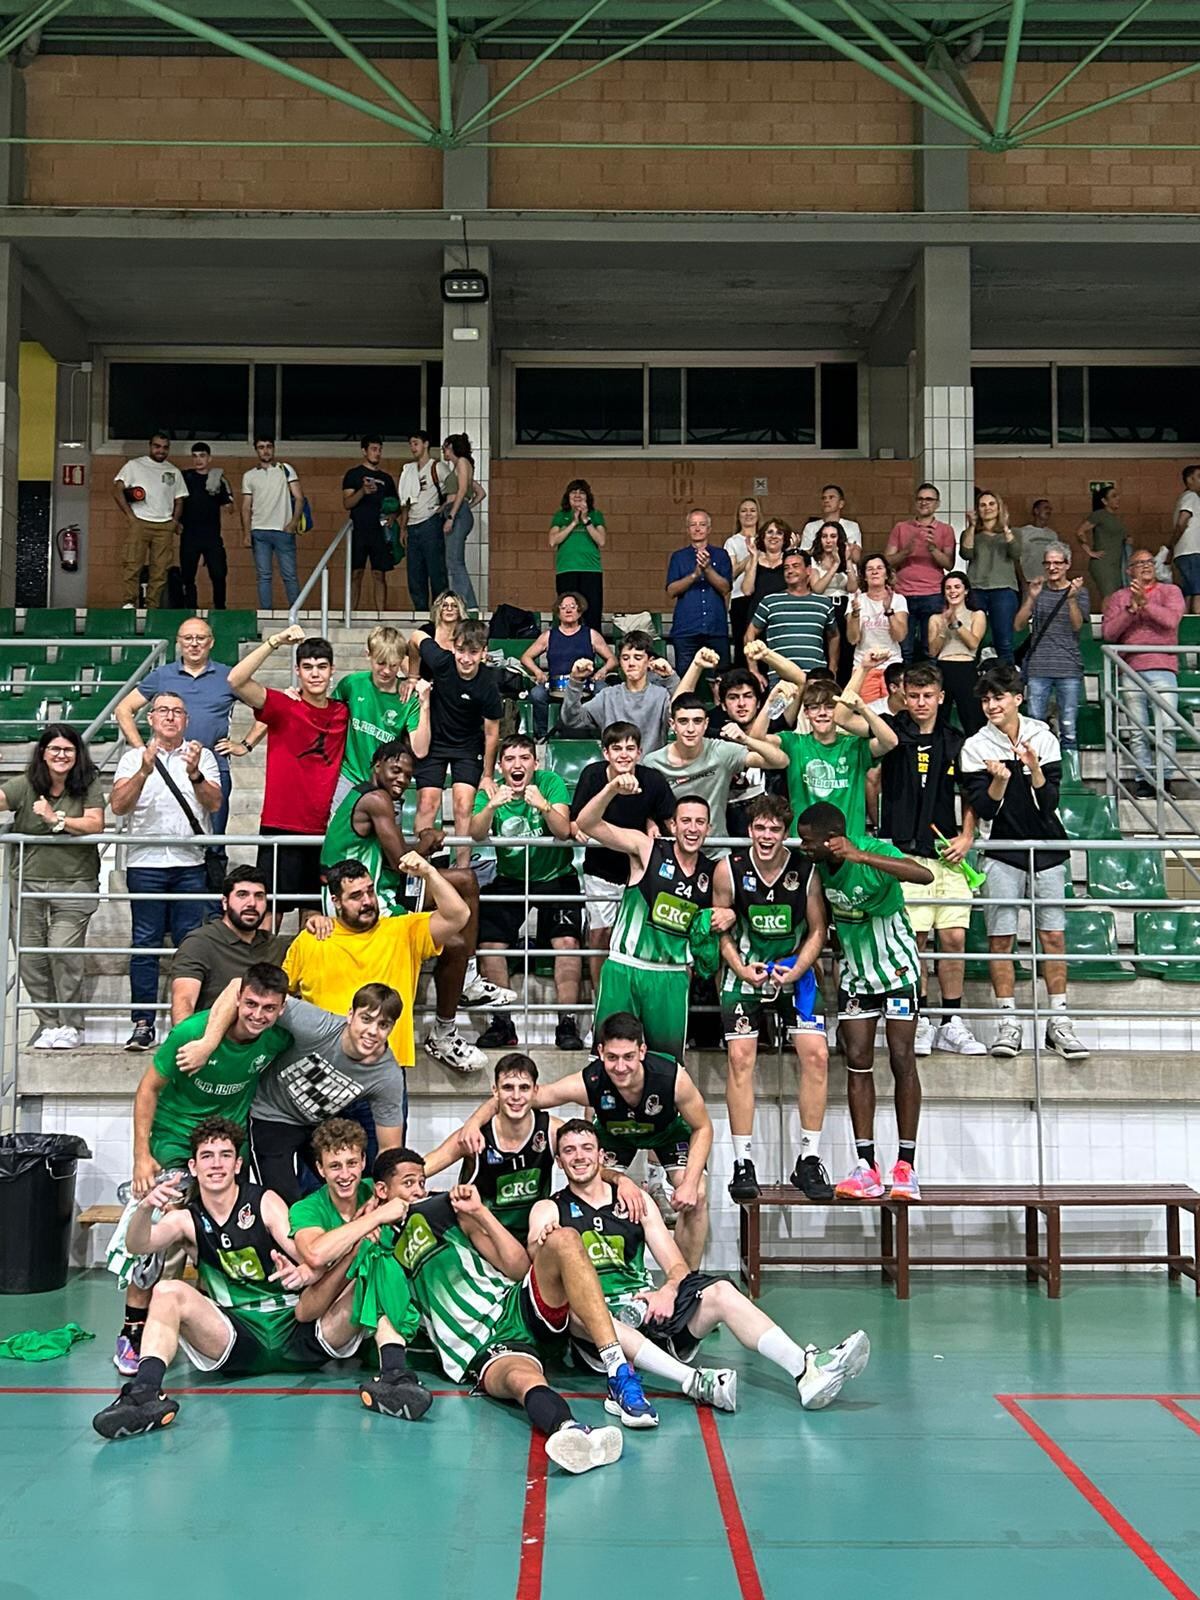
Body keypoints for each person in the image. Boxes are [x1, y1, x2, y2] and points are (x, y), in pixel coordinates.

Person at [538, 1120, 870, 1411]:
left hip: (649, 1312)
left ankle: (805, 1369)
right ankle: (692, 1381)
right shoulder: (550, 1210)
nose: (579, 1157)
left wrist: (667, 1291)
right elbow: (542, 1279)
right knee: (575, 1312)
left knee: (721, 1291)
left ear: (602, 1157)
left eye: (586, 1148)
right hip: (600, 1332)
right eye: (569, 1151)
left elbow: (677, 1267)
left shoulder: (635, 1203)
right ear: (558, 1160)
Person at [367, 1152, 655, 1464]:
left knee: (565, 1239)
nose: (419, 1191)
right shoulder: (375, 1242)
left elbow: (518, 1268)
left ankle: (616, 1369)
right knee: (523, 1380)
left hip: (515, 1303)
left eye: (422, 1183)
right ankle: (572, 1431)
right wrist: (372, 1220)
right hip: (478, 1347)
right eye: (409, 1184)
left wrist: (480, 1213)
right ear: (382, 1190)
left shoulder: (445, 1209)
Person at [92, 1116, 361, 1439]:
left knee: (372, 1265)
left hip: (298, 1329)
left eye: (225, 1155)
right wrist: (146, 1208)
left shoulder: (264, 1202)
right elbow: (139, 1244)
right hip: (235, 1337)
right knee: (166, 1290)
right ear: (193, 1166)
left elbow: (313, 1254)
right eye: (207, 1156)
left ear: (238, 1164)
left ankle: (393, 1370)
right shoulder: (187, 1219)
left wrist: (304, 1272)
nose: (216, 1164)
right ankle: (145, 1392)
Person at [108, 966, 292, 1376]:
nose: (258, 1015)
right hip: (175, 1142)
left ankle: (217, 1320)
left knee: (225, 1236)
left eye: (268, 1008)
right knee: (163, 1227)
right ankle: (134, 1331)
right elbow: (147, 1089)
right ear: (238, 1000)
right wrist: (142, 1155)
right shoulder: (190, 1034)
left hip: (228, 1150)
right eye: (251, 1004)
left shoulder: (278, 1038)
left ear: (280, 1010)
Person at [796, 802, 932, 1202]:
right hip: (856, 975)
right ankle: (867, 1165)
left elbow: (922, 874)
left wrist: (861, 855)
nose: (803, 846)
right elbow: (820, 926)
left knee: (902, 1058)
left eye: (808, 840)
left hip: (899, 971)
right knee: (857, 1062)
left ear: (832, 840)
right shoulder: (819, 871)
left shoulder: (872, 851)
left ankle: (906, 1166)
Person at [320, 735, 509, 1021]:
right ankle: (447, 1024)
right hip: (357, 897)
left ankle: (469, 979)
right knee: (454, 941)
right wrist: (429, 840)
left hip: (378, 886)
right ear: (377, 765)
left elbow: (399, 856)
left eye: (408, 775)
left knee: (466, 880)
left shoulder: (371, 795)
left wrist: (425, 842)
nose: (402, 780)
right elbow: (401, 863)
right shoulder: (376, 799)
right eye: (396, 770)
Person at [959, 664, 1088, 1062]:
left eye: (998, 697)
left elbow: (1049, 802)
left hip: (1047, 847)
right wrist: (997, 780)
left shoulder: (1042, 737)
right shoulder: (976, 746)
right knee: (1001, 939)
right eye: (985, 699)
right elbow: (982, 808)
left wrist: (1031, 766)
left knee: (1052, 937)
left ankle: (1059, 1022)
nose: (991, 705)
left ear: (1017, 698)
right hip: (1000, 850)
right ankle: (1008, 1023)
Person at [520, 1011, 713, 1270]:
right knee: (588, 1184)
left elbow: (703, 1126)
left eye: (628, 1057)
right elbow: (528, 1098)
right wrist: (477, 1122)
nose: (620, 1067)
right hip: (615, 1136)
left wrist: (689, 1184)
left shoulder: (672, 1078)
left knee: (696, 1196)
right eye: (612, 1058)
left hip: (667, 1133)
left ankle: (686, 1283)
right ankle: (602, 1274)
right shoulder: (590, 1080)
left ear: (642, 1051)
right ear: (600, 1052)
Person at [186, 981, 411, 1201]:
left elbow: (390, 1148)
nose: (372, 1031)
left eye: (383, 1025)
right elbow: (237, 985)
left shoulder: (387, 1075)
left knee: (343, 1190)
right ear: (350, 1014)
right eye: (366, 1019)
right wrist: (208, 1043)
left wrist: (382, 1198)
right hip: (271, 1115)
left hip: (317, 1124)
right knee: (283, 1199)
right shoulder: (319, 1025)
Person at [714, 795, 832, 1201]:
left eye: (775, 830)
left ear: (785, 834)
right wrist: (740, 968)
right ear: (749, 830)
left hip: (793, 969)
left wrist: (799, 968)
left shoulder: (806, 870)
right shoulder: (728, 869)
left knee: (816, 1054)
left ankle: (809, 1158)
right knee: (740, 1058)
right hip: (747, 969)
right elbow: (721, 928)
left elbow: (818, 929)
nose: (766, 836)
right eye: (760, 828)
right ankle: (742, 1161)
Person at [282, 1120, 430, 1421]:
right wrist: (373, 1222)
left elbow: (420, 1169)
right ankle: (393, 1370)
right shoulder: (306, 1209)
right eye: (334, 1166)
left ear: (364, 1161)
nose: (346, 1174)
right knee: (372, 1256)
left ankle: (394, 1373)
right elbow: (315, 1253)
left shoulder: (377, 1189)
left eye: (352, 1163)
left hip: (373, 1319)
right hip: (328, 1325)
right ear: (320, 1170)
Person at [284, 854, 481, 1076]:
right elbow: (281, 999)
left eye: (370, 891)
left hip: (386, 1069)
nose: (367, 901)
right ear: (336, 901)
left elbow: (459, 915)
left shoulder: (403, 931)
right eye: (356, 896)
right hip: (326, 1069)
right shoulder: (311, 939)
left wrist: (429, 872)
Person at [576, 770, 724, 1059]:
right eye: (685, 821)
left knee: (667, 1068)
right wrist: (611, 789)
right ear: (672, 824)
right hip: (625, 968)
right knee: (603, 1065)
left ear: (709, 827)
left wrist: (727, 914)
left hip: (671, 976)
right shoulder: (647, 848)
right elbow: (586, 823)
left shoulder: (712, 872)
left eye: (699, 822)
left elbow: (727, 911)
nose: (692, 829)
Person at [877, 663, 984, 1058]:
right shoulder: (891, 734)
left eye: (928, 695)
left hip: (948, 856)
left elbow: (971, 792)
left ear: (940, 697)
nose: (921, 702)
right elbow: (871, 778)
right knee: (916, 941)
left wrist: (967, 835)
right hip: (907, 855)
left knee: (954, 938)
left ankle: (951, 1021)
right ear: (904, 695)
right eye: (914, 695)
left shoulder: (957, 740)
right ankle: (919, 1019)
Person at [111, 691, 222, 1052]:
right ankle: (142, 1022)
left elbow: (215, 803)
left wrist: (194, 775)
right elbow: (118, 806)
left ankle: (186, 1023)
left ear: (186, 720)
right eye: (163, 711)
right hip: (145, 864)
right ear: (151, 719)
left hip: (190, 863)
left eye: (177, 712)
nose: (170, 718)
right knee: (144, 943)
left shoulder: (201, 754)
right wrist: (144, 770)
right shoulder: (132, 758)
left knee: (190, 945)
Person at [468, 733, 585, 1053]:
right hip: (511, 877)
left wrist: (543, 806)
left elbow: (563, 832)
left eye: (524, 759)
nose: (517, 765)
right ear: (502, 766)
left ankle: (567, 1021)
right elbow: (475, 834)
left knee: (568, 943)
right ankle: (502, 1022)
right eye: (510, 759)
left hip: (556, 876)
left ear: (535, 763)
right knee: (489, 943)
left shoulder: (550, 782)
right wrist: (491, 805)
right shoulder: (491, 790)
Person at [228, 625, 349, 924]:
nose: (315, 674)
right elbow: (236, 680)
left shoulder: (343, 712)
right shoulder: (284, 705)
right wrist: (275, 641)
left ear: (332, 670)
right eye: (307, 667)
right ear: (298, 671)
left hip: (323, 830)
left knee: (315, 918)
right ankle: (266, 973)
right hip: (280, 825)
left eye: (322, 667)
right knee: (271, 915)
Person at [2, 724, 104, 1049]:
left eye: (68, 750)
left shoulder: (87, 783)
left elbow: (95, 823)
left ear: (78, 754)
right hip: (27, 884)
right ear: (43, 753)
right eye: (55, 749)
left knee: (62, 950)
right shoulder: (27, 784)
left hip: (75, 883)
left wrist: (56, 820)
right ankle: (49, 1024)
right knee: (31, 959)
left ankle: (71, 1024)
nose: (61, 755)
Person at [116, 615, 241, 866]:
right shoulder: (162, 675)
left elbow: (266, 708)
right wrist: (141, 750)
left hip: (213, 768)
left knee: (214, 842)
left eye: (200, 638)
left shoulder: (229, 677)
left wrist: (246, 744)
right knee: (170, 834)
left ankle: (212, 901)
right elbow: (123, 709)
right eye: (188, 638)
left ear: (211, 642)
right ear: (178, 642)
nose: (194, 644)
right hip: (165, 767)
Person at [570, 721, 675, 990]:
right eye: (617, 748)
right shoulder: (593, 776)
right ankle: (599, 998)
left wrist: (653, 821)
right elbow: (576, 818)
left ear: (640, 752)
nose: (624, 754)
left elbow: (669, 820)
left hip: (640, 873)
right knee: (600, 936)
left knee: (639, 936)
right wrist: (574, 828)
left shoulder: (652, 779)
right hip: (601, 869)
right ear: (605, 752)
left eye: (630, 748)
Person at [643, 692, 787, 855]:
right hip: (673, 850)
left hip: (716, 849)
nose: (691, 729)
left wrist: (746, 739)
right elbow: (644, 804)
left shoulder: (720, 751)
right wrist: (649, 821)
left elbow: (780, 761)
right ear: (672, 724)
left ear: (706, 724)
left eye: (697, 721)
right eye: (683, 721)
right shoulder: (652, 762)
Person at [413, 617, 503, 869]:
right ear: (453, 647)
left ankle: (462, 870)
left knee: (463, 804)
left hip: (467, 746)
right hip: (435, 742)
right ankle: (420, 869)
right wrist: (412, 675)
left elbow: (492, 733)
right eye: (461, 650)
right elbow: (415, 638)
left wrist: (487, 775)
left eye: (473, 652)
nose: (466, 658)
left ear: (484, 653)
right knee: (427, 802)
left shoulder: (487, 684)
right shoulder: (442, 661)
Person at [1102, 550, 1186, 798]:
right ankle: (1144, 781)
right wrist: (1131, 609)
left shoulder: (1170, 592)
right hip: (1131, 669)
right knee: (1138, 730)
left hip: (1163, 667)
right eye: (1139, 563)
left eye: (1149, 562)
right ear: (1129, 571)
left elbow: (1171, 621)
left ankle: (1164, 779)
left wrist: (1146, 604)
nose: (1146, 566)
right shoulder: (1119, 597)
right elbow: (1109, 633)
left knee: (1167, 727)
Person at [775, 676, 897, 838]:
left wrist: (863, 709)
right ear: (806, 713)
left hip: (849, 847)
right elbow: (756, 738)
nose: (822, 713)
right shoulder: (793, 743)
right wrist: (771, 698)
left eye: (830, 707)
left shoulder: (855, 746)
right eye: (815, 707)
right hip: (804, 847)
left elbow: (890, 742)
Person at [170, 866, 288, 1024]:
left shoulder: (275, 945)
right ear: (225, 902)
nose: (252, 903)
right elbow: (184, 1001)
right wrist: (188, 1044)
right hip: (212, 1037)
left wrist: (319, 921)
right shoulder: (200, 942)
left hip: (264, 1040)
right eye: (242, 895)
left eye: (259, 896)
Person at [330, 624, 428, 812]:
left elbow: (421, 750)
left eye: (393, 665)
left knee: (387, 840)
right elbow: (324, 711)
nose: (386, 671)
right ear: (368, 654)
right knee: (339, 837)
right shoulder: (352, 684)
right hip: (348, 777)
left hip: (386, 782)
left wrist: (426, 705)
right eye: (380, 663)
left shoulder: (408, 699)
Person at [1014, 546, 1090, 754]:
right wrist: (1031, 597)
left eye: (1057, 563)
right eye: (1047, 563)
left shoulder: (1080, 593)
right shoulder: (1037, 590)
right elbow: (1018, 625)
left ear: (1068, 565)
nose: (1052, 567)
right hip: (1039, 666)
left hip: (1068, 666)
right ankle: (1036, 767)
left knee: (1068, 725)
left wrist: (1071, 598)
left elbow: (1076, 625)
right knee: (1035, 723)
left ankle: (1069, 773)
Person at [557, 628, 678, 752]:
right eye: (625, 658)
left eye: (638, 657)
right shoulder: (607, 696)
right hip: (615, 766)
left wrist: (671, 678)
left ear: (649, 661)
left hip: (650, 768)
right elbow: (572, 719)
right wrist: (575, 681)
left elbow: (682, 715)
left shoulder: (661, 696)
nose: (631, 663)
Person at [521, 592, 616, 742]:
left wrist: (603, 670)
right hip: (554, 684)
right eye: (564, 607)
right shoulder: (548, 636)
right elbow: (526, 657)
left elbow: (612, 659)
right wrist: (538, 672)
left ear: (580, 610)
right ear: (558, 612)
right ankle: (543, 734)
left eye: (573, 606)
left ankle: (601, 733)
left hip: (586, 683)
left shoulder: (591, 634)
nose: (568, 610)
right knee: (537, 694)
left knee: (603, 691)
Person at [111, 431, 187, 609]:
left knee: (160, 570)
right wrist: (130, 517)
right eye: (157, 446)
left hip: (164, 526)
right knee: (132, 564)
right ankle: (129, 603)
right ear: (150, 446)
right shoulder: (134, 465)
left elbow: (179, 499)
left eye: (165, 447)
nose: (161, 450)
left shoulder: (173, 471)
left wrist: (174, 522)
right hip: (140, 522)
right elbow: (117, 489)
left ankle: (153, 606)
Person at [884, 484, 956, 660]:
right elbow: (887, 561)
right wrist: (907, 551)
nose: (924, 503)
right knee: (904, 648)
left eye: (929, 499)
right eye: (920, 499)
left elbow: (949, 564)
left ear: (937, 504)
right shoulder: (901, 527)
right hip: (903, 594)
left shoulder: (946, 530)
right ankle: (903, 686)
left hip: (933, 594)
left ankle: (931, 685)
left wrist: (933, 549)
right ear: (915, 502)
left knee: (930, 649)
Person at [744, 551, 837, 680]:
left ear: (808, 570)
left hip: (815, 679)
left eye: (795, 566)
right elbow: (750, 634)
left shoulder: (823, 603)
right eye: (786, 567)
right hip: (780, 679)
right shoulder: (770, 601)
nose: (790, 570)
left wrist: (832, 670)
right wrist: (753, 671)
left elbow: (834, 636)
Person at [666, 507, 733, 678]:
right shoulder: (678, 557)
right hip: (686, 629)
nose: (697, 528)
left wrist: (708, 569)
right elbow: (671, 590)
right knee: (686, 678)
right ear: (688, 529)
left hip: (715, 628)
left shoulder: (721, 555)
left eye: (702, 524)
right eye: (693, 525)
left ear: (709, 529)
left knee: (720, 680)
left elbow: (725, 588)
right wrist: (695, 574)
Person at [241, 434, 303, 611]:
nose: (266, 450)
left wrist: (293, 523)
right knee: (263, 576)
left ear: (274, 448)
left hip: (283, 530)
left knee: (289, 575)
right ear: (256, 450)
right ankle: (266, 613)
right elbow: (245, 507)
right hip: (259, 530)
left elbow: (299, 498)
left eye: (269, 446)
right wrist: (246, 533)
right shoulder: (249, 475)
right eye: (261, 447)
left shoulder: (286, 469)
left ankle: (295, 613)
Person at [961, 492, 1020, 664]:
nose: (987, 508)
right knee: (973, 640)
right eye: (983, 505)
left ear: (999, 507)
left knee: (1004, 641)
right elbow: (966, 553)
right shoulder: (970, 534)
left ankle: (1007, 683)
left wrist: (1006, 527)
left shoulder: (1013, 533)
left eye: (992, 504)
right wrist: (971, 526)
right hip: (976, 589)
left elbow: (1016, 553)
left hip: (1004, 590)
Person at [342, 434, 398, 615]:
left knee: (379, 574)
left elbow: (395, 505)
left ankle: (380, 615)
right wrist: (363, 491)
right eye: (374, 449)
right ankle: (351, 613)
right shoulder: (353, 474)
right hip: (359, 530)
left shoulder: (386, 479)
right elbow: (347, 503)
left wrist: (393, 516)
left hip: (380, 532)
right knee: (356, 573)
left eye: (380, 450)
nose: (377, 453)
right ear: (364, 451)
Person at [927, 571, 986, 734]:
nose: (953, 591)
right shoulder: (935, 618)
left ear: (966, 590)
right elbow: (933, 651)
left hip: (966, 667)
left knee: (973, 720)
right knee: (940, 719)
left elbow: (973, 643)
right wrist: (944, 629)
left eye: (957, 587)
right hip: (943, 668)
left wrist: (956, 623)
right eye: (948, 588)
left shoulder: (977, 614)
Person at [846, 553, 908, 701]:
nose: (875, 571)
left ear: (886, 574)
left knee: (896, 713)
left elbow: (900, 636)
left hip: (892, 665)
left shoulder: (898, 600)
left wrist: (888, 611)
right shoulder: (856, 600)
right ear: (865, 576)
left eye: (879, 568)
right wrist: (855, 614)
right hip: (864, 667)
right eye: (870, 569)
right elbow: (853, 639)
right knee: (867, 714)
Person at [178, 442, 232, 610]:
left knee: (218, 574)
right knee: (187, 576)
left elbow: (230, 508)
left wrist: (222, 487)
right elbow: (173, 499)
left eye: (202, 456)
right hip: (189, 535)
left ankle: (220, 609)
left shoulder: (218, 479)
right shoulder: (185, 477)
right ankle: (190, 609)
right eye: (195, 456)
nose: (198, 460)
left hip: (211, 536)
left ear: (209, 458)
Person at [398, 430, 447, 612]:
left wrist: (441, 510)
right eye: (411, 443)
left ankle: (439, 610)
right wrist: (403, 528)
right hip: (413, 524)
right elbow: (405, 502)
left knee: (435, 570)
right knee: (415, 573)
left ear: (425, 444)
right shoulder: (408, 470)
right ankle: (420, 610)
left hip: (430, 522)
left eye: (416, 443)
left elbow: (455, 490)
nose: (413, 447)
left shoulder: (437, 468)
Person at [549, 477, 606, 624]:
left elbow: (601, 540)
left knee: (592, 612)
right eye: (574, 492)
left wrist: (586, 520)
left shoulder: (595, 515)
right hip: (566, 569)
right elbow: (553, 540)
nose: (578, 495)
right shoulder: (560, 515)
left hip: (591, 570)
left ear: (588, 497)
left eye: (582, 492)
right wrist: (574, 522)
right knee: (567, 610)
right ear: (568, 496)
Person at [440, 432, 486, 611]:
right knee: (451, 560)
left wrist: (453, 514)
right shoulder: (460, 466)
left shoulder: (462, 462)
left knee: (455, 561)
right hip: (456, 510)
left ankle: (466, 603)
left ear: (450, 447)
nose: (443, 451)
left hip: (457, 513)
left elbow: (461, 491)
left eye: (445, 447)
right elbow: (480, 492)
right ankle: (465, 601)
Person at [1077, 483, 1129, 605]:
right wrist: (1089, 551)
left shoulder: (1116, 519)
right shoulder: (1099, 514)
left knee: (1117, 596)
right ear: (1104, 501)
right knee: (1109, 595)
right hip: (1104, 563)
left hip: (1117, 564)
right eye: (1114, 496)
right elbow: (1080, 531)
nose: (1118, 499)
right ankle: (1107, 622)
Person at [725, 496, 761, 662]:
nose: (748, 514)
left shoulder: (766, 539)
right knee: (742, 644)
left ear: (758, 515)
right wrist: (750, 556)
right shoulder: (732, 542)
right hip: (740, 598)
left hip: (761, 598)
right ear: (738, 516)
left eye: (752, 510)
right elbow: (731, 573)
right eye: (744, 511)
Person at [799, 485, 864, 564]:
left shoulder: (852, 526)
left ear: (841, 504)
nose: (826, 501)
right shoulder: (810, 527)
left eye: (831, 497)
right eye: (824, 498)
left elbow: (856, 557)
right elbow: (804, 556)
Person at [742, 517, 790, 618]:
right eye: (770, 532)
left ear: (784, 539)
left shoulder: (790, 561)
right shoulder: (753, 561)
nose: (774, 536)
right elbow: (747, 591)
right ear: (763, 537)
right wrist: (754, 557)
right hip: (758, 617)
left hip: (783, 616)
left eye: (779, 533)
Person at [1171, 464, 1200, 614]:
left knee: (1189, 591)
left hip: (1184, 553)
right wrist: (1172, 545)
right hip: (1192, 551)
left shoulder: (1185, 497)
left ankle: (1189, 628)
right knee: (1198, 592)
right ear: (1189, 480)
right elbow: (1182, 522)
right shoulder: (1191, 496)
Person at [1012, 498, 1062, 584]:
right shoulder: (1022, 532)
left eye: (1050, 509)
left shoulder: (1053, 534)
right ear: (1036, 511)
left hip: (1048, 581)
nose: (1049, 511)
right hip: (1029, 580)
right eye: (1045, 508)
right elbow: (1015, 558)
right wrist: (1022, 580)